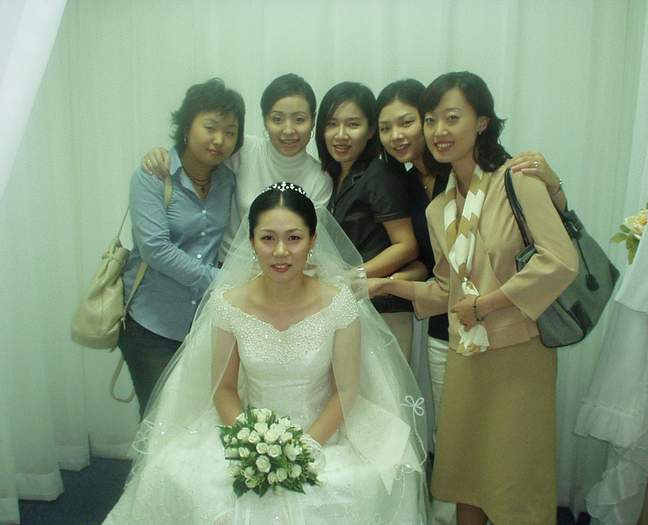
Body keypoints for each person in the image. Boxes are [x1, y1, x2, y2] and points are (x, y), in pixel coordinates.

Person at [103, 182, 428, 525]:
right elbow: (224, 388)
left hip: (325, 431)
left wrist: (303, 449)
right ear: (251, 241)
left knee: (355, 486)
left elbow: (345, 392)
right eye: (268, 238)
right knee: (182, 477)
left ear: (313, 240)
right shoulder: (228, 304)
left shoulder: (339, 304)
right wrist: (250, 443)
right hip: (245, 427)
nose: (281, 251)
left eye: (294, 238)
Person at [368, 71, 578, 525]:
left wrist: (487, 304)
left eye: (452, 118)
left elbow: (560, 262)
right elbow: (448, 291)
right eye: (431, 120)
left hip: (519, 356)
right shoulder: (439, 208)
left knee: (514, 479)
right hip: (466, 354)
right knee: (465, 476)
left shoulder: (516, 181)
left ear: (482, 122)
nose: (438, 131)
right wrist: (386, 286)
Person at [119, 78, 245, 417]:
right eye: (210, 127)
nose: (219, 140)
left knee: (195, 418)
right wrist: (218, 280)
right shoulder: (153, 176)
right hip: (152, 324)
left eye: (230, 132)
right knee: (158, 418)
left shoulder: (228, 180)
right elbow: (154, 248)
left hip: (204, 323)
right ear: (187, 127)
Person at [143, 73, 332, 257]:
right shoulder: (243, 150)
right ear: (265, 120)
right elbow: (198, 155)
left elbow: (309, 242)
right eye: (277, 119)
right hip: (225, 268)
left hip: (283, 270)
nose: (288, 130)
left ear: (313, 121)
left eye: (299, 119)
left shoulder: (320, 178)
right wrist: (164, 154)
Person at [316, 81, 419, 360]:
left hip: (384, 308)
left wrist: (355, 277)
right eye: (331, 124)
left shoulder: (379, 172)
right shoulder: (335, 175)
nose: (340, 135)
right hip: (356, 304)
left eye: (353, 124)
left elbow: (406, 245)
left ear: (371, 129)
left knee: (385, 387)